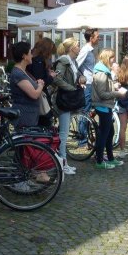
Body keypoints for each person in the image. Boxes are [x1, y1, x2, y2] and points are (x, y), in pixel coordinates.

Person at [53, 37, 83, 175]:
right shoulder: (64, 61)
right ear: (72, 48)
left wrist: (81, 78)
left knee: (63, 132)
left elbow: (75, 76)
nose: (79, 47)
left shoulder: (73, 61)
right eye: (77, 45)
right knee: (64, 133)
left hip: (69, 99)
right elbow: (57, 78)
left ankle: (63, 162)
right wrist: (71, 88)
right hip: (63, 99)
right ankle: (62, 164)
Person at [92, 49, 125, 170]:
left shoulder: (104, 71)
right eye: (112, 58)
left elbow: (105, 88)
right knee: (103, 135)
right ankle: (100, 161)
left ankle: (110, 158)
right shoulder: (101, 72)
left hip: (106, 106)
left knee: (109, 133)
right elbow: (102, 94)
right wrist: (117, 93)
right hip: (103, 106)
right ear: (106, 58)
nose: (114, 61)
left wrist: (114, 86)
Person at [9, 41, 45, 129]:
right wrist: (40, 85)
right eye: (30, 53)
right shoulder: (18, 73)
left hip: (30, 115)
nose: (32, 56)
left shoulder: (23, 71)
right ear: (24, 56)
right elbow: (34, 94)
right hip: (24, 116)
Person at [76, 28, 99, 145]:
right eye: (97, 36)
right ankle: (82, 139)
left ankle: (85, 135)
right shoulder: (85, 50)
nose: (98, 38)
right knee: (85, 111)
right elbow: (76, 65)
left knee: (88, 109)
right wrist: (80, 77)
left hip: (91, 83)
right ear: (91, 38)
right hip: (87, 84)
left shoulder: (90, 50)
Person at [28, 37, 57, 127]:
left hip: (33, 97)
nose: (50, 56)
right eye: (50, 53)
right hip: (39, 97)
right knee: (44, 125)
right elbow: (40, 81)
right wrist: (51, 77)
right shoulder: (38, 61)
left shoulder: (34, 58)